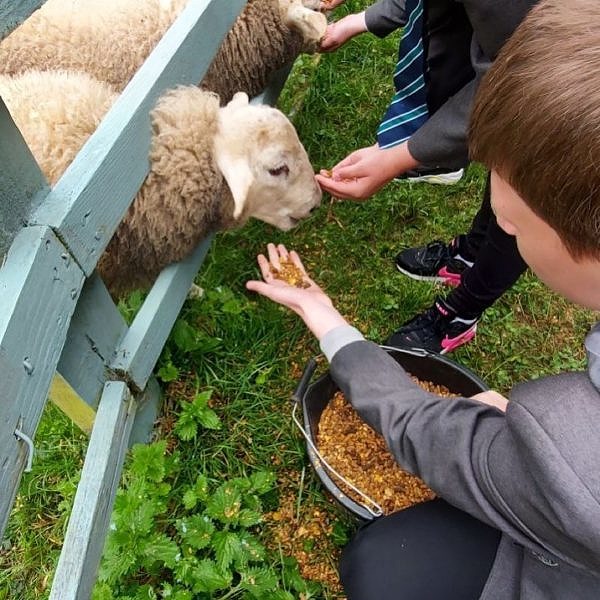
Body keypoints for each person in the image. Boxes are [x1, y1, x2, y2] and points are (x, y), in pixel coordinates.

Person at [246, 1, 600, 596]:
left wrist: (325, 318)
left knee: (385, 566)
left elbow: (423, 429)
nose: (502, 220)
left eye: (509, 218)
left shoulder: (570, 452)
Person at [314, 0, 536, 353]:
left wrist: (402, 155)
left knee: (527, 198)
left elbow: (515, 83)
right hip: (531, 60)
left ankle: (462, 311)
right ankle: (472, 252)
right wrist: (360, 21)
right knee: (505, 169)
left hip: (558, 86)